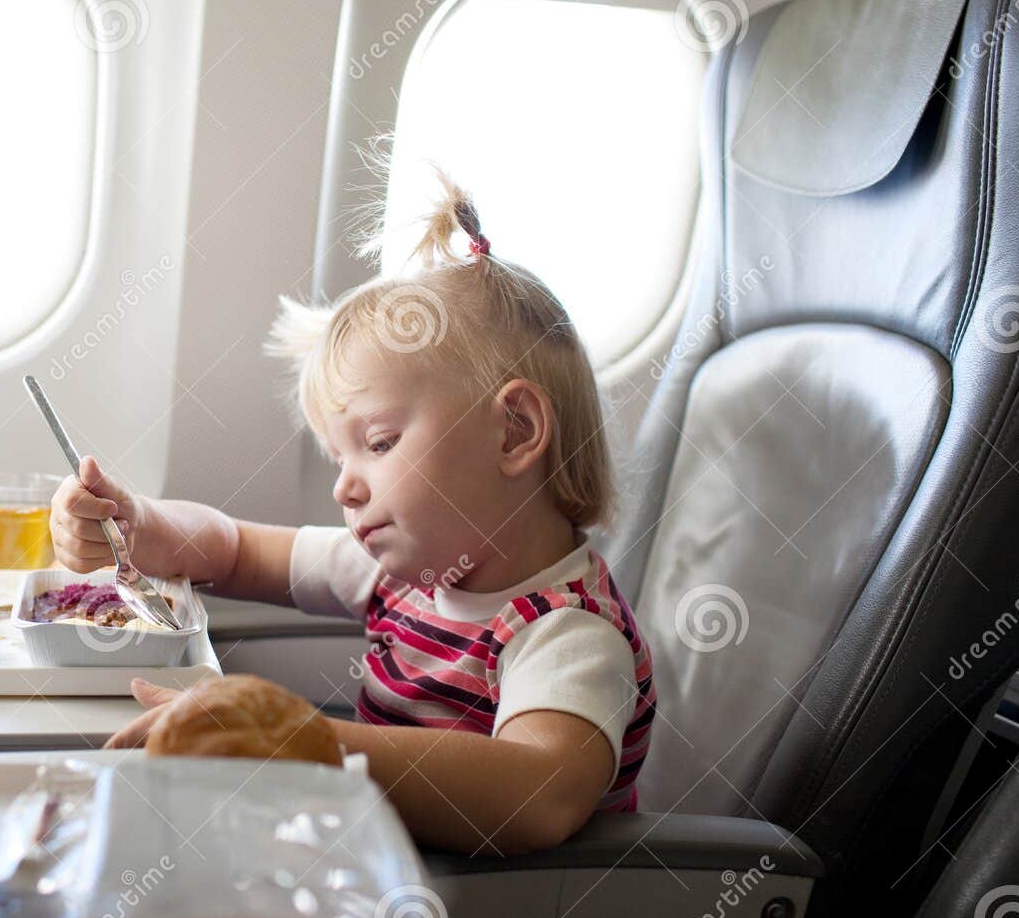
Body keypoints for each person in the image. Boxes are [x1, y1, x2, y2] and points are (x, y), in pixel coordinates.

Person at [51, 170, 654, 856]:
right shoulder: (404, 571)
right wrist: (140, 527)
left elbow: (535, 794)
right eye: (339, 459)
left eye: (378, 443)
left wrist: (302, 739)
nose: (345, 489)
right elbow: (234, 550)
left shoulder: (567, 632)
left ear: (514, 432)